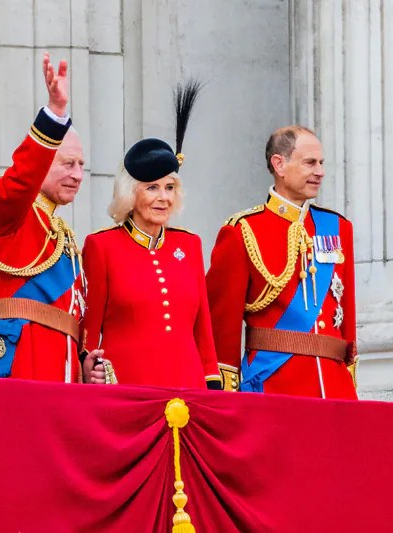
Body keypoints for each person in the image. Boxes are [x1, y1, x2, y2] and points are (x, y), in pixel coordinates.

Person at [80, 82, 221, 389]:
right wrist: (87, 366)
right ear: (130, 193)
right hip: (128, 388)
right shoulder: (101, 246)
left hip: (189, 388)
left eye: (170, 188)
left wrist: (212, 383)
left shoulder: (190, 245)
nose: (163, 198)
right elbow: (90, 328)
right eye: (152, 188)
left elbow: (204, 331)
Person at [0, 53, 99, 383]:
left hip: (63, 374)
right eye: (68, 163)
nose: (78, 174)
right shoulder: (3, 212)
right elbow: (20, 181)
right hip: (17, 367)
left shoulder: (62, 234)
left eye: (82, 165)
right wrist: (54, 116)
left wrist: (84, 363)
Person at [206, 126, 357, 399]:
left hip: (336, 389)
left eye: (322, 163)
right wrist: (226, 396)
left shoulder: (337, 227)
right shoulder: (242, 231)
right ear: (280, 164)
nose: (320, 171)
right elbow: (222, 328)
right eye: (310, 162)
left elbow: (346, 315)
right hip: (275, 387)